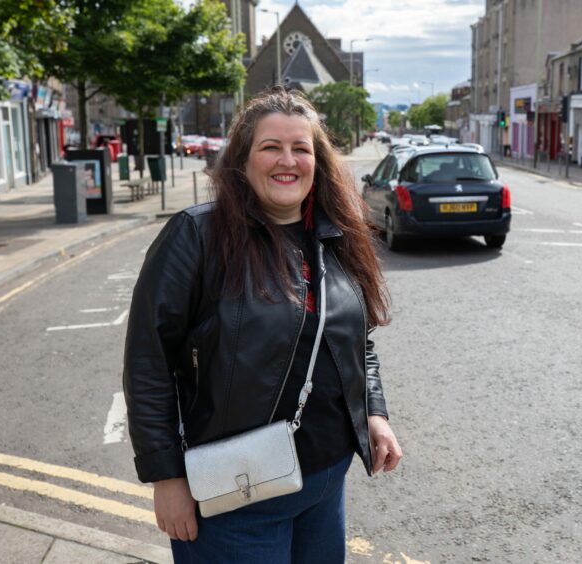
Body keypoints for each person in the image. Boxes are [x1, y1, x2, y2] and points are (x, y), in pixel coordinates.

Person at [123, 87, 403, 563]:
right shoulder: (197, 236)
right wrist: (166, 477)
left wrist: (373, 412)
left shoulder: (334, 235)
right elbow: (148, 360)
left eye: (301, 148)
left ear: (318, 162)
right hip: (238, 496)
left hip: (324, 481)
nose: (286, 160)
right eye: (270, 146)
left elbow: (358, 340)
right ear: (243, 160)